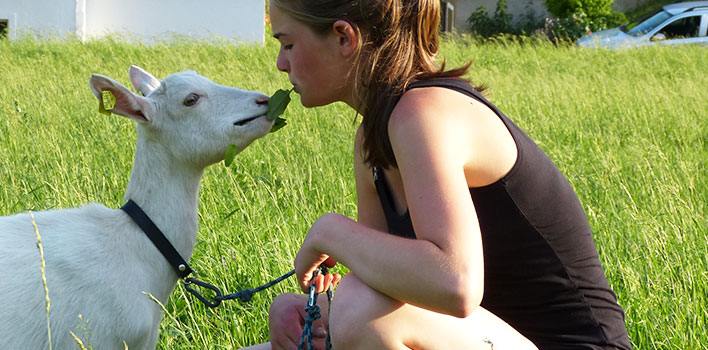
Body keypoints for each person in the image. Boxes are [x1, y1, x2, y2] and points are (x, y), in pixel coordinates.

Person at [244, 0, 632, 349]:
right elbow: (384, 288)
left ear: (344, 37)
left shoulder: (423, 113)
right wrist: (304, 309)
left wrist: (329, 231)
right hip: (487, 338)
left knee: (359, 308)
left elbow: (456, 284)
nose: (281, 63)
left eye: (288, 43)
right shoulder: (373, 139)